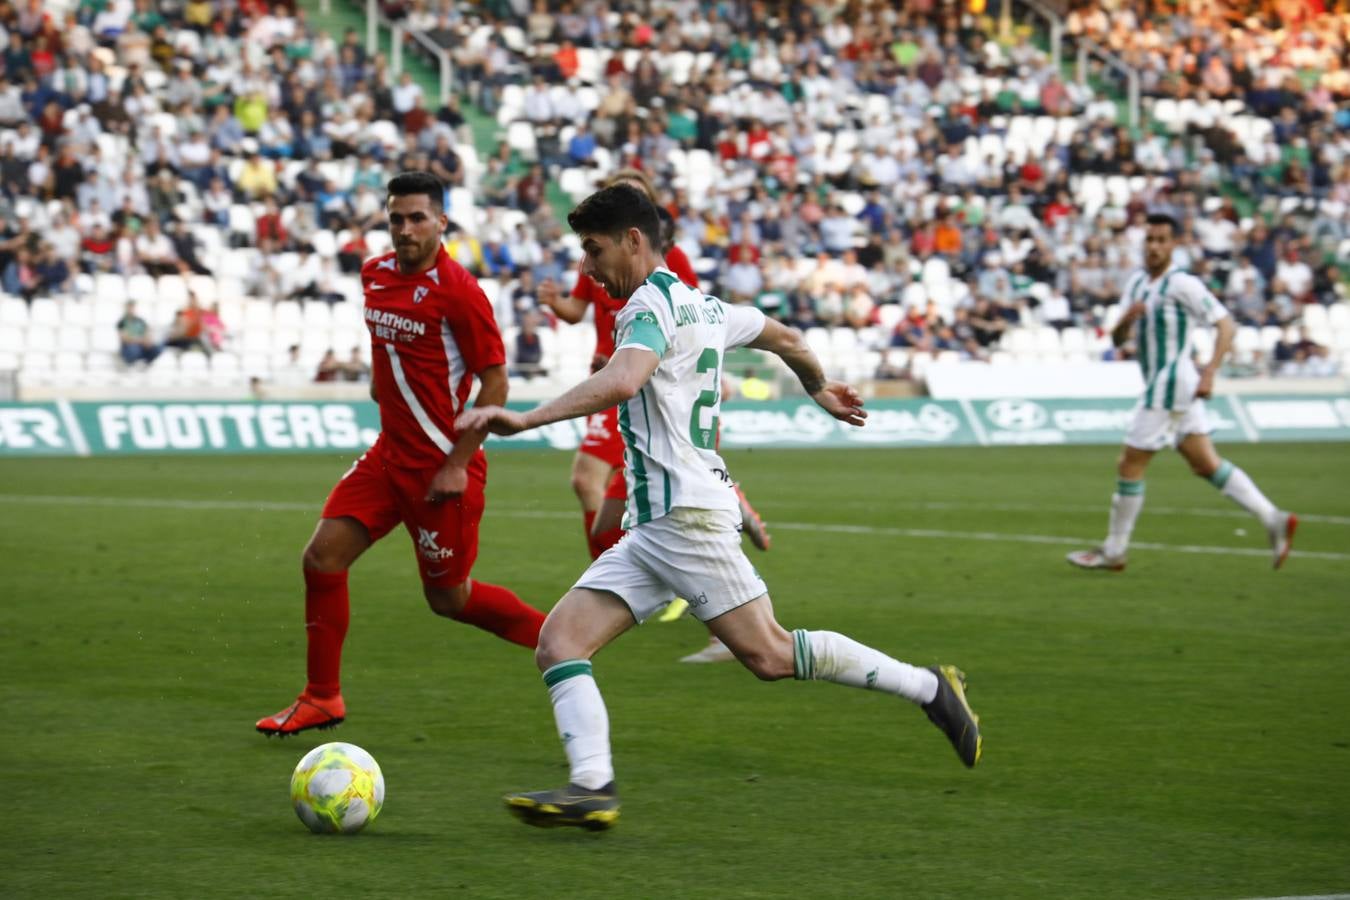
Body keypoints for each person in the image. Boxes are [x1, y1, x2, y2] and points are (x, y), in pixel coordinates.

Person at [457, 184, 982, 829]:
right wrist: (818, 388)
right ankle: (592, 786)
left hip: (687, 518)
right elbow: (784, 335)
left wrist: (526, 417)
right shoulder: (702, 305)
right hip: (655, 527)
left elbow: (624, 378)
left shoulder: (646, 306)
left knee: (768, 654)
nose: (588, 270)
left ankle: (929, 687)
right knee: (560, 641)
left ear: (634, 241)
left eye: (594, 252)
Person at [256, 172, 547, 737]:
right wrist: (379, 383)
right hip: (388, 458)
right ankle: (322, 697)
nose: (406, 229)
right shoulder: (374, 275)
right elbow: (386, 347)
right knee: (321, 559)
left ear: (442, 222)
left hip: (440, 468)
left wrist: (458, 462)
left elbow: (496, 386)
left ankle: (559, 636)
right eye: (396, 218)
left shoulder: (460, 291)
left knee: (450, 599)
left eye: (418, 218)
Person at [1067, 213, 1297, 572]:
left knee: (1130, 463)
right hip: (1168, 383)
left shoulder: (1182, 284)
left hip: (1172, 382)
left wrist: (1210, 372)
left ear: (1174, 245)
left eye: (1162, 240)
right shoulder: (1137, 283)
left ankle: (1114, 551)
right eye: (1150, 239)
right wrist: (1126, 321)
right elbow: (1117, 339)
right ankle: (1274, 519)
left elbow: (1226, 324)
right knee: (1205, 464)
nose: (1155, 247)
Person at [116, 300, 161, 365]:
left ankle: (146, 360)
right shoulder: (122, 322)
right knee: (133, 350)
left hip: (142, 346)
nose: (131, 310)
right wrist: (141, 340)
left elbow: (148, 333)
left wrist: (147, 341)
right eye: (129, 307)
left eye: (132, 307)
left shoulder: (141, 321)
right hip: (130, 347)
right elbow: (125, 339)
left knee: (157, 348)